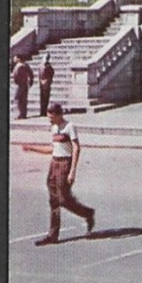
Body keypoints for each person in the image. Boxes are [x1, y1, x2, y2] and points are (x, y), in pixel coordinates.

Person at [35, 102, 95, 246]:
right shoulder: (54, 127)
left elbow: (76, 148)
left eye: (52, 117)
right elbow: (53, 148)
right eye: (49, 117)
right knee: (54, 200)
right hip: (54, 163)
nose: (50, 120)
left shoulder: (69, 127)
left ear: (59, 114)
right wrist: (33, 149)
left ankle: (87, 213)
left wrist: (72, 171)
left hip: (65, 164)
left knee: (63, 199)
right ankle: (53, 234)